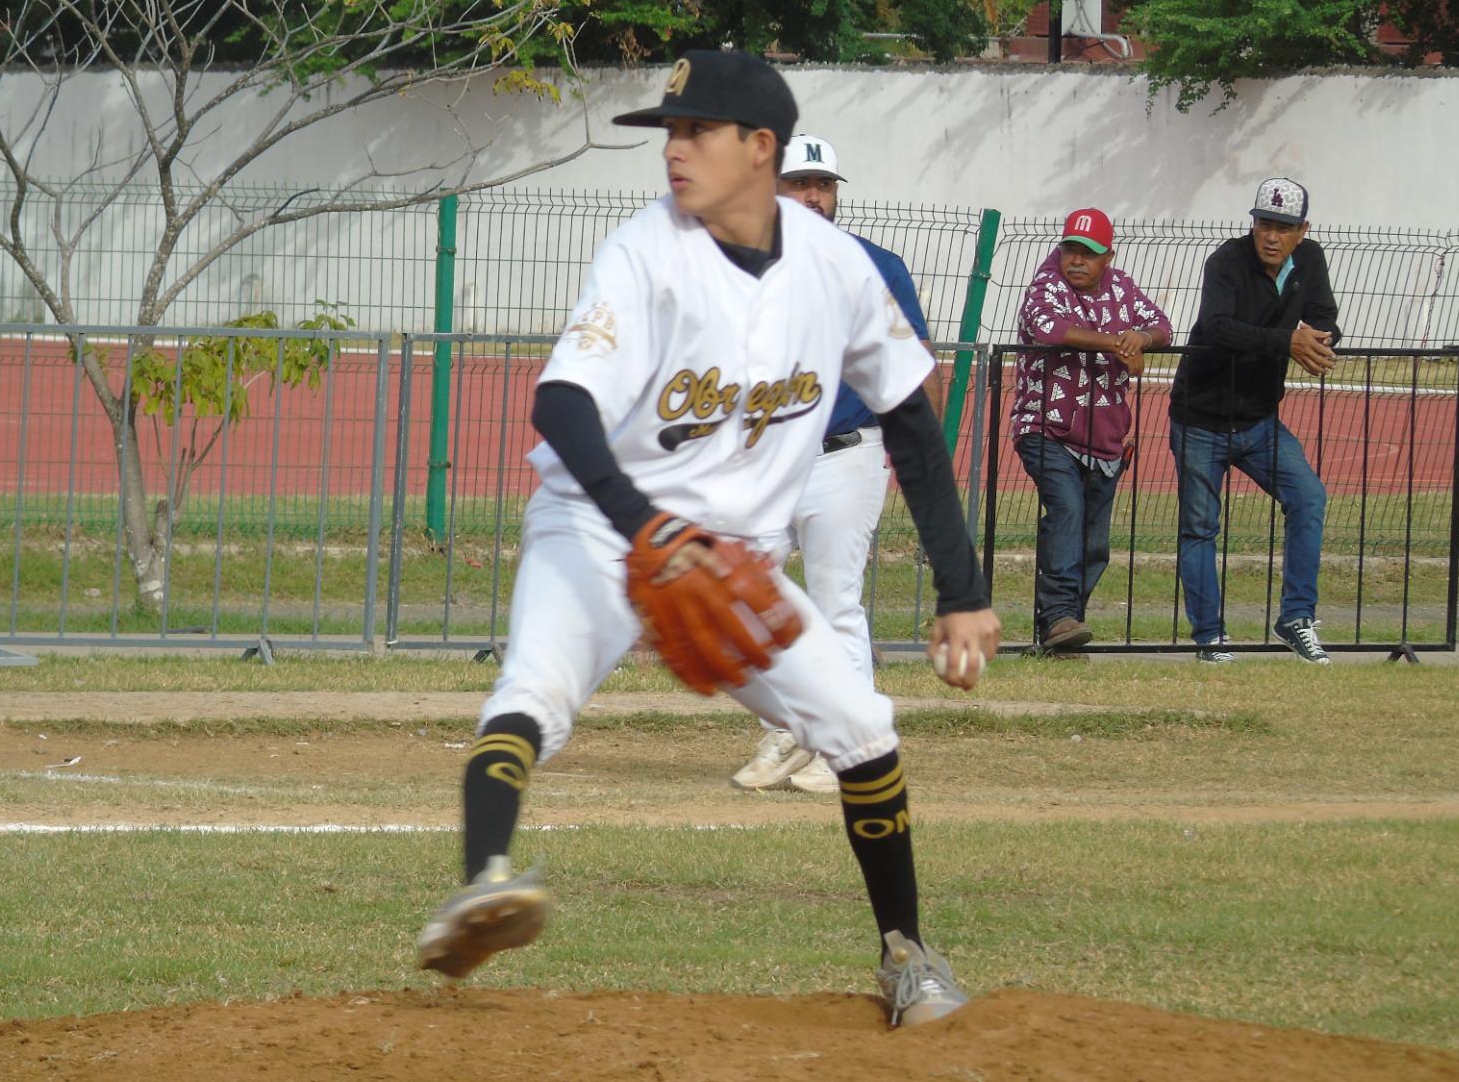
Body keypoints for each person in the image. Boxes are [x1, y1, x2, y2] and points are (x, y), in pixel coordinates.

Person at [416, 50, 1002, 1028]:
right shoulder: (644, 253)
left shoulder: (837, 270)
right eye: (668, 131)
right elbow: (562, 400)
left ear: (759, 147)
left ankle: (906, 951)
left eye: (694, 129)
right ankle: (482, 884)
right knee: (532, 693)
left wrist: (961, 585)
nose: (673, 149)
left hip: (737, 563)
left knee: (860, 727)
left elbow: (909, 415)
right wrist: (646, 525)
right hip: (603, 528)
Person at [730, 133, 945, 795]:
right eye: (801, 183)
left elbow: (918, 372)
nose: (814, 196)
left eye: (824, 185)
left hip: (846, 454)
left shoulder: (876, 265)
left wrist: (924, 461)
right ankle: (798, 723)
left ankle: (850, 747)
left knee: (835, 603)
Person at [1169, 177, 1339, 665]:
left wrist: (1322, 344)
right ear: (1253, 223)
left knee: (1308, 496)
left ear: (1302, 231)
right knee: (1200, 528)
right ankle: (1210, 637)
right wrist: (1287, 342)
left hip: (1261, 420)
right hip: (1200, 419)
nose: (1271, 236)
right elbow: (1218, 327)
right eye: (1264, 223)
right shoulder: (1225, 261)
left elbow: (1325, 314)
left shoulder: (1310, 261)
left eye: (1284, 227)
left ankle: (1297, 617)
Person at [1009, 208, 1171, 653]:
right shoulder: (1047, 285)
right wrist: (1117, 342)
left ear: (1109, 257)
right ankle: (1059, 616)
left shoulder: (1122, 288)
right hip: (1046, 427)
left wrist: (1142, 339)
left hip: (1106, 438)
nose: (1076, 260)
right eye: (1070, 250)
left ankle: (1065, 628)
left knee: (1095, 540)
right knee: (1067, 511)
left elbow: (1162, 326)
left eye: (1089, 253)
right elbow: (1048, 327)